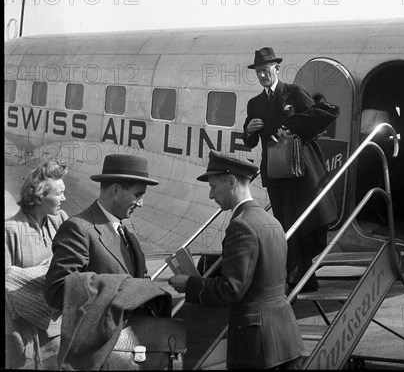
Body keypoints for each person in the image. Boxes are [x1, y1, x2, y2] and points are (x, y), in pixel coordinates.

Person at [169, 150, 304, 370]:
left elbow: (231, 289)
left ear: (231, 182)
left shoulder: (241, 224)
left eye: (213, 187)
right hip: (286, 338)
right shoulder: (272, 221)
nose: (211, 195)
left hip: (258, 347)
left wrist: (189, 285)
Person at [43, 153, 172, 370]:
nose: (141, 203)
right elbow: (56, 290)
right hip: (98, 356)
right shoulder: (79, 229)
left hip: (131, 352)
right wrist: (121, 286)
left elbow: (140, 283)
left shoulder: (125, 232)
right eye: (138, 194)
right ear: (115, 190)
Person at [242, 47, 338, 292]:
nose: (263, 75)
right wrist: (249, 130)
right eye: (259, 71)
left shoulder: (293, 93)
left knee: (302, 222)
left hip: (298, 170)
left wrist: (291, 126)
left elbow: (318, 118)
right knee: (284, 223)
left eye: (266, 69)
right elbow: (250, 142)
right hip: (275, 172)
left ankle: (297, 278)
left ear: (276, 69)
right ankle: (300, 278)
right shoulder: (255, 103)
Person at [5, 159, 68, 370]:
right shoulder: (10, 231)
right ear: (39, 196)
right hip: (23, 336)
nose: (64, 198)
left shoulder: (60, 221)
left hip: (57, 330)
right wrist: (11, 331)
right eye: (59, 194)